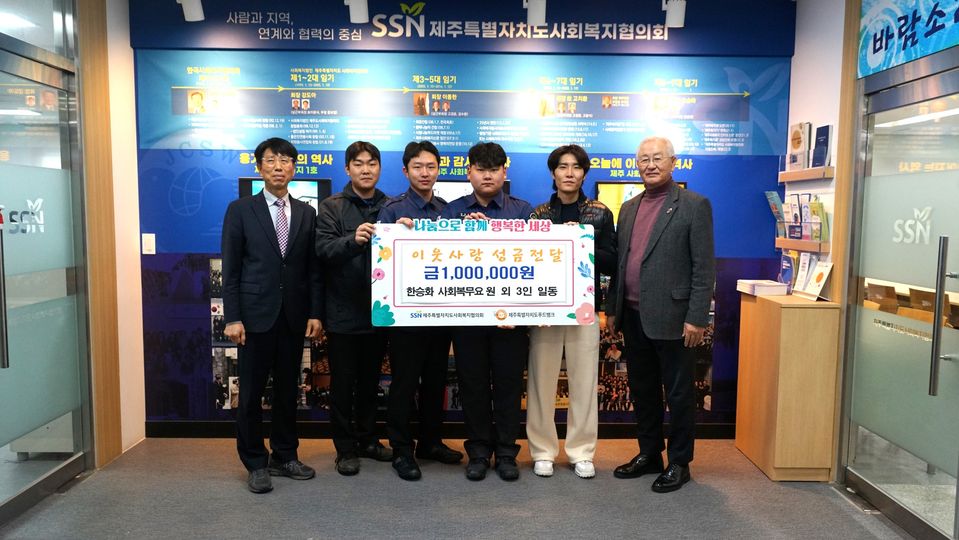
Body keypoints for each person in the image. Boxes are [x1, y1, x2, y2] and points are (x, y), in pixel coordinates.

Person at [606, 136, 715, 493]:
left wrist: (697, 317)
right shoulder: (628, 207)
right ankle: (649, 454)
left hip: (675, 318)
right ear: (636, 165)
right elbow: (622, 263)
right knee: (643, 391)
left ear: (673, 162)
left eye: (657, 158)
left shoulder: (694, 205)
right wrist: (613, 310)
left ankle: (680, 462)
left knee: (679, 395)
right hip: (633, 316)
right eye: (644, 159)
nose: (650, 165)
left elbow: (704, 268)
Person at [221, 137, 324, 494]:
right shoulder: (240, 210)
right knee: (250, 393)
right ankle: (255, 462)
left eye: (285, 160)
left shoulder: (307, 212)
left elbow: (312, 269)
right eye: (271, 160)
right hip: (253, 317)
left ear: (294, 168)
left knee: (287, 391)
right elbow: (231, 269)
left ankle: (285, 455)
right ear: (259, 167)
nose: (279, 166)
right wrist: (232, 317)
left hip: (293, 317)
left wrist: (315, 312)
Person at [439, 142, 534, 481]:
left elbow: (532, 265)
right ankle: (478, 452)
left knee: (509, 386)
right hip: (466, 318)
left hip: (511, 320)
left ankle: (506, 452)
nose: (488, 175)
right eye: (481, 169)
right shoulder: (452, 212)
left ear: (504, 172)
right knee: (473, 385)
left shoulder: (523, 211)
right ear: (469, 173)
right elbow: (439, 259)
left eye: (494, 169)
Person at [526, 144, 615, 480]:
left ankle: (581, 452)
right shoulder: (538, 215)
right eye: (562, 167)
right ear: (553, 173)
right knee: (541, 381)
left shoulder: (600, 213)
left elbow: (612, 260)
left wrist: (580, 241)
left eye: (576, 167)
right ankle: (542, 451)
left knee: (584, 381)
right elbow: (528, 262)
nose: (569, 173)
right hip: (546, 308)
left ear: (584, 174)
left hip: (584, 308)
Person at [377, 141, 464, 481]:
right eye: (417, 167)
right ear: (405, 171)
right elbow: (380, 262)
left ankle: (430, 442)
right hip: (406, 316)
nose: (424, 173)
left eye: (430, 166)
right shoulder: (392, 210)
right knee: (404, 382)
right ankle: (402, 449)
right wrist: (399, 237)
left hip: (441, 312)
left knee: (435, 381)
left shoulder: (448, 211)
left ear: (438, 170)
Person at [315, 141, 392, 476]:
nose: (366, 169)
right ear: (347, 169)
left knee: (371, 382)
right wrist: (353, 240)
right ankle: (345, 449)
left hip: (379, 312)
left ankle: (368, 440)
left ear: (380, 168)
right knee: (343, 385)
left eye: (372, 163)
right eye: (358, 164)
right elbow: (322, 250)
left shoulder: (391, 205)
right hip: (343, 312)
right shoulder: (331, 207)